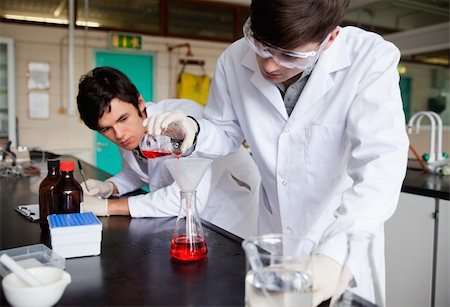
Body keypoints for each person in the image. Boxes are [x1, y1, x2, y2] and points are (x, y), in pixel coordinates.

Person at [145, 0, 409, 305]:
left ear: (330, 39)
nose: (269, 64)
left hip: (340, 242)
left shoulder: (368, 58)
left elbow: (381, 164)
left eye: (290, 55)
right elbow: (226, 133)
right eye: (261, 44)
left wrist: (332, 258)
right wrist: (193, 130)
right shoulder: (234, 59)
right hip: (275, 240)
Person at [76, 66, 260, 239]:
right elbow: (138, 172)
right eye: (106, 129)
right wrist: (109, 187)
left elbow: (185, 197)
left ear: (139, 103)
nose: (119, 134)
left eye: (123, 119)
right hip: (190, 224)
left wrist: (108, 206)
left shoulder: (186, 118)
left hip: (230, 218)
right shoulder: (128, 132)